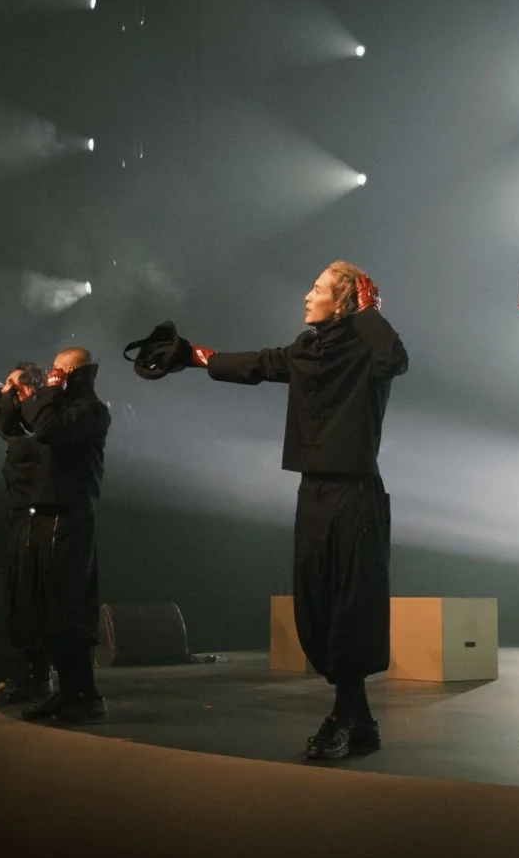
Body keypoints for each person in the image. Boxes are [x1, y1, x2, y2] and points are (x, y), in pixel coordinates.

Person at [128, 263, 408, 760]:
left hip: (355, 494)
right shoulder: (306, 350)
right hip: (313, 491)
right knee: (319, 603)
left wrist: (368, 312)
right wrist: (192, 356)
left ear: (342, 302)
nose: (307, 296)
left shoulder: (368, 347)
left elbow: (395, 359)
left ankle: (342, 718)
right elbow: (258, 364)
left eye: (318, 289)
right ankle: (361, 720)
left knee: (351, 608)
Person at [0, 347, 111, 726]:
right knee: (47, 611)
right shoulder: (58, 407)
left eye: (58, 371)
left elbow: (46, 428)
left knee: (67, 608)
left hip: (70, 517)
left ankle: (85, 697)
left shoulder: (91, 410)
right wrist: (16, 397)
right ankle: (66, 692)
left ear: (73, 373)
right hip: (49, 517)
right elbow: (17, 426)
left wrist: (45, 392)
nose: (52, 376)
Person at [0, 364, 55, 704]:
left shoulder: (26, 438)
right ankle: (33, 676)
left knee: (28, 604)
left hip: (32, 526)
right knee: (22, 604)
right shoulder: (22, 437)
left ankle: (36, 678)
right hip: (26, 525)